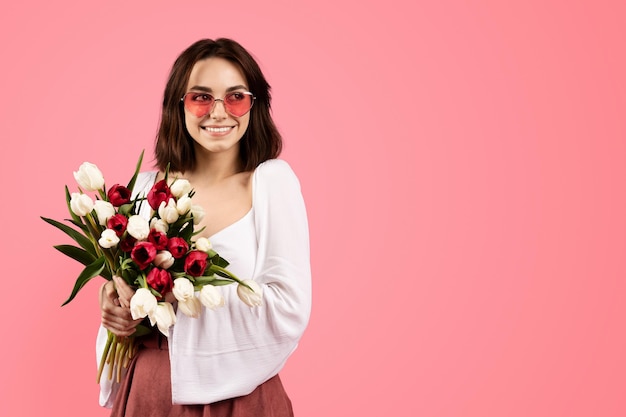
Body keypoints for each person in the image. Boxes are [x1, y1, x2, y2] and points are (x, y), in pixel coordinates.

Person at [97, 38, 311, 417]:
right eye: (200, 97)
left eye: (235, 97)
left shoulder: (270, 184)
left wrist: (182, 295)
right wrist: (116, 303)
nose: (218, 112)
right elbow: (131, 302)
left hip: (243, 398)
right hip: (151, 391)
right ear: (178, 106)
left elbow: (289, 306)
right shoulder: (145, 190)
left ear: (253, 105)